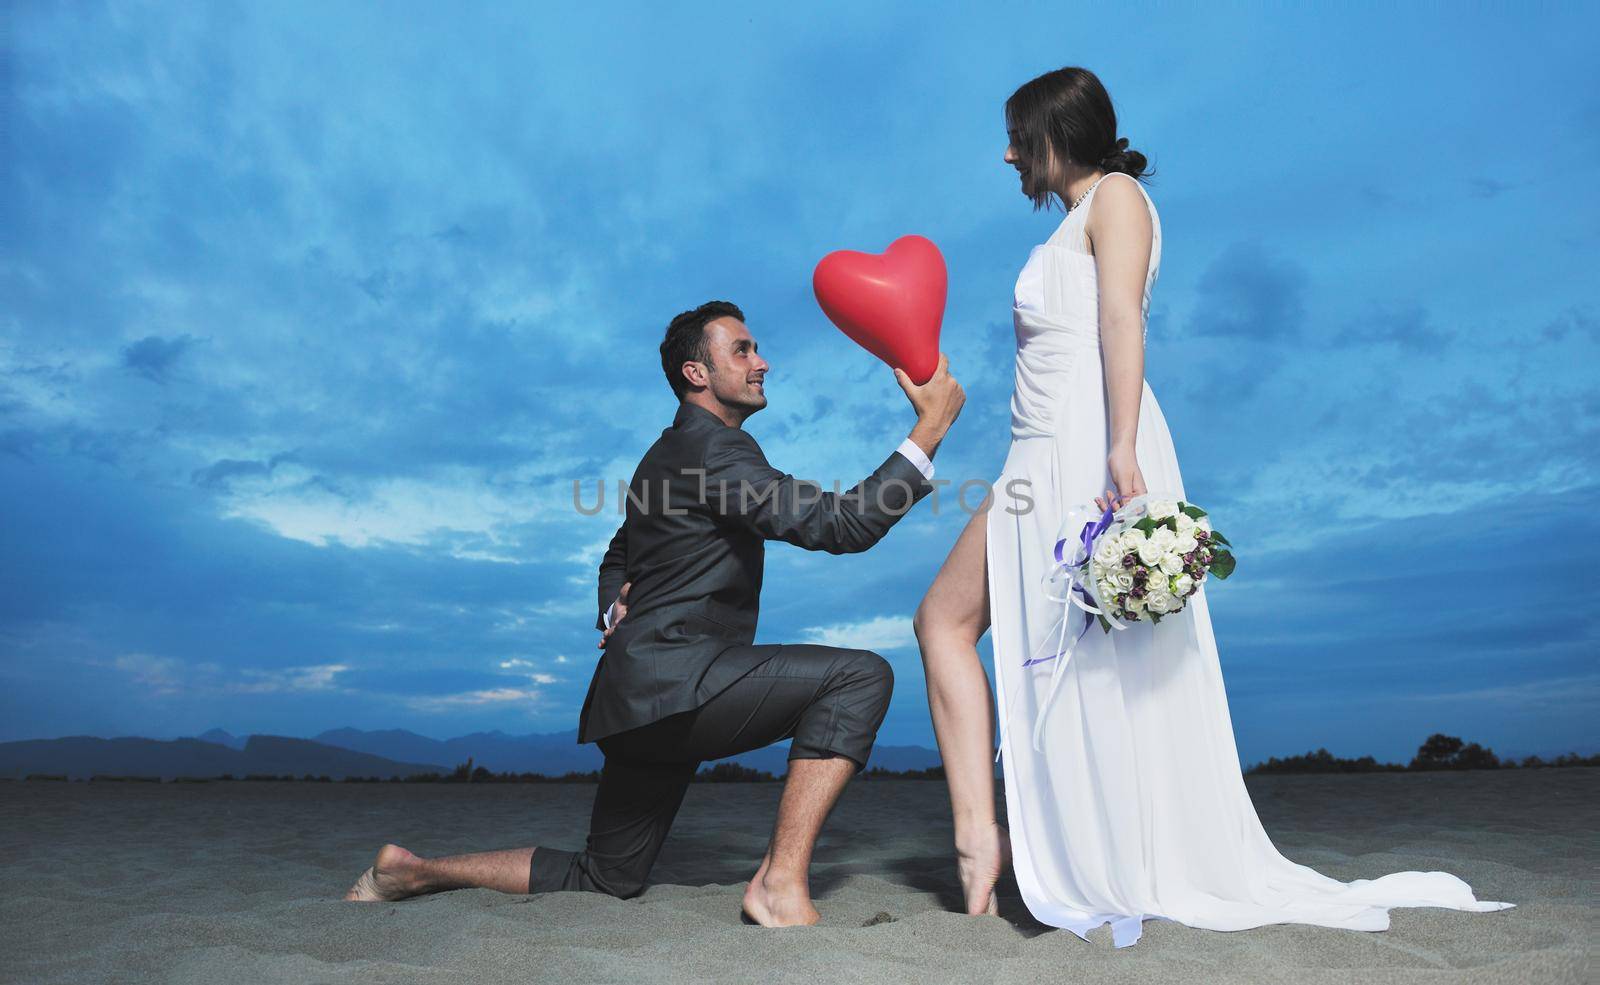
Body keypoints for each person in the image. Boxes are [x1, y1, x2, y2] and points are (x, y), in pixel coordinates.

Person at [909, 66, 1513, 946]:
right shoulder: (1076, 218)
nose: (1006, 154)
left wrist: (1119, 448)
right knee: (951, 622)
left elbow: (1122, 318)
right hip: (1032, 449)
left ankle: (1015, 855)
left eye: (1017, 135)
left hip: (1086, 442)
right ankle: (985, 844)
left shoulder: (1117, 196)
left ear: (1056, 133)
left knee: (1069, 653)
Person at [346, 300, 966, 926]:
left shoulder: (665, 454)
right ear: (698, 373)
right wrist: (928, 432)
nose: (762, 363)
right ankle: (780, 884)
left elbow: (618, 550)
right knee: (859, 677)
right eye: (743, 351)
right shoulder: (714, 452)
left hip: (636, 699)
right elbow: (844, 524)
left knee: (608, 876)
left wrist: (611, 603)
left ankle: (415, 871)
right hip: (679, 686)